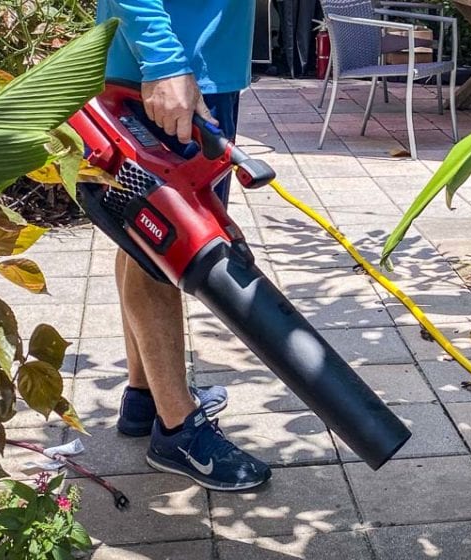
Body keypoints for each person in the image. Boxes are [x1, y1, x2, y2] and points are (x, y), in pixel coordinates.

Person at [96, 0, 272, 491]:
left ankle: (146, 397)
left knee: (141, 234)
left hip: (198, 63)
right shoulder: (168, 64)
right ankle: (177, 429)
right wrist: (165, 60)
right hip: (169, 70)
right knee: (164, 242)